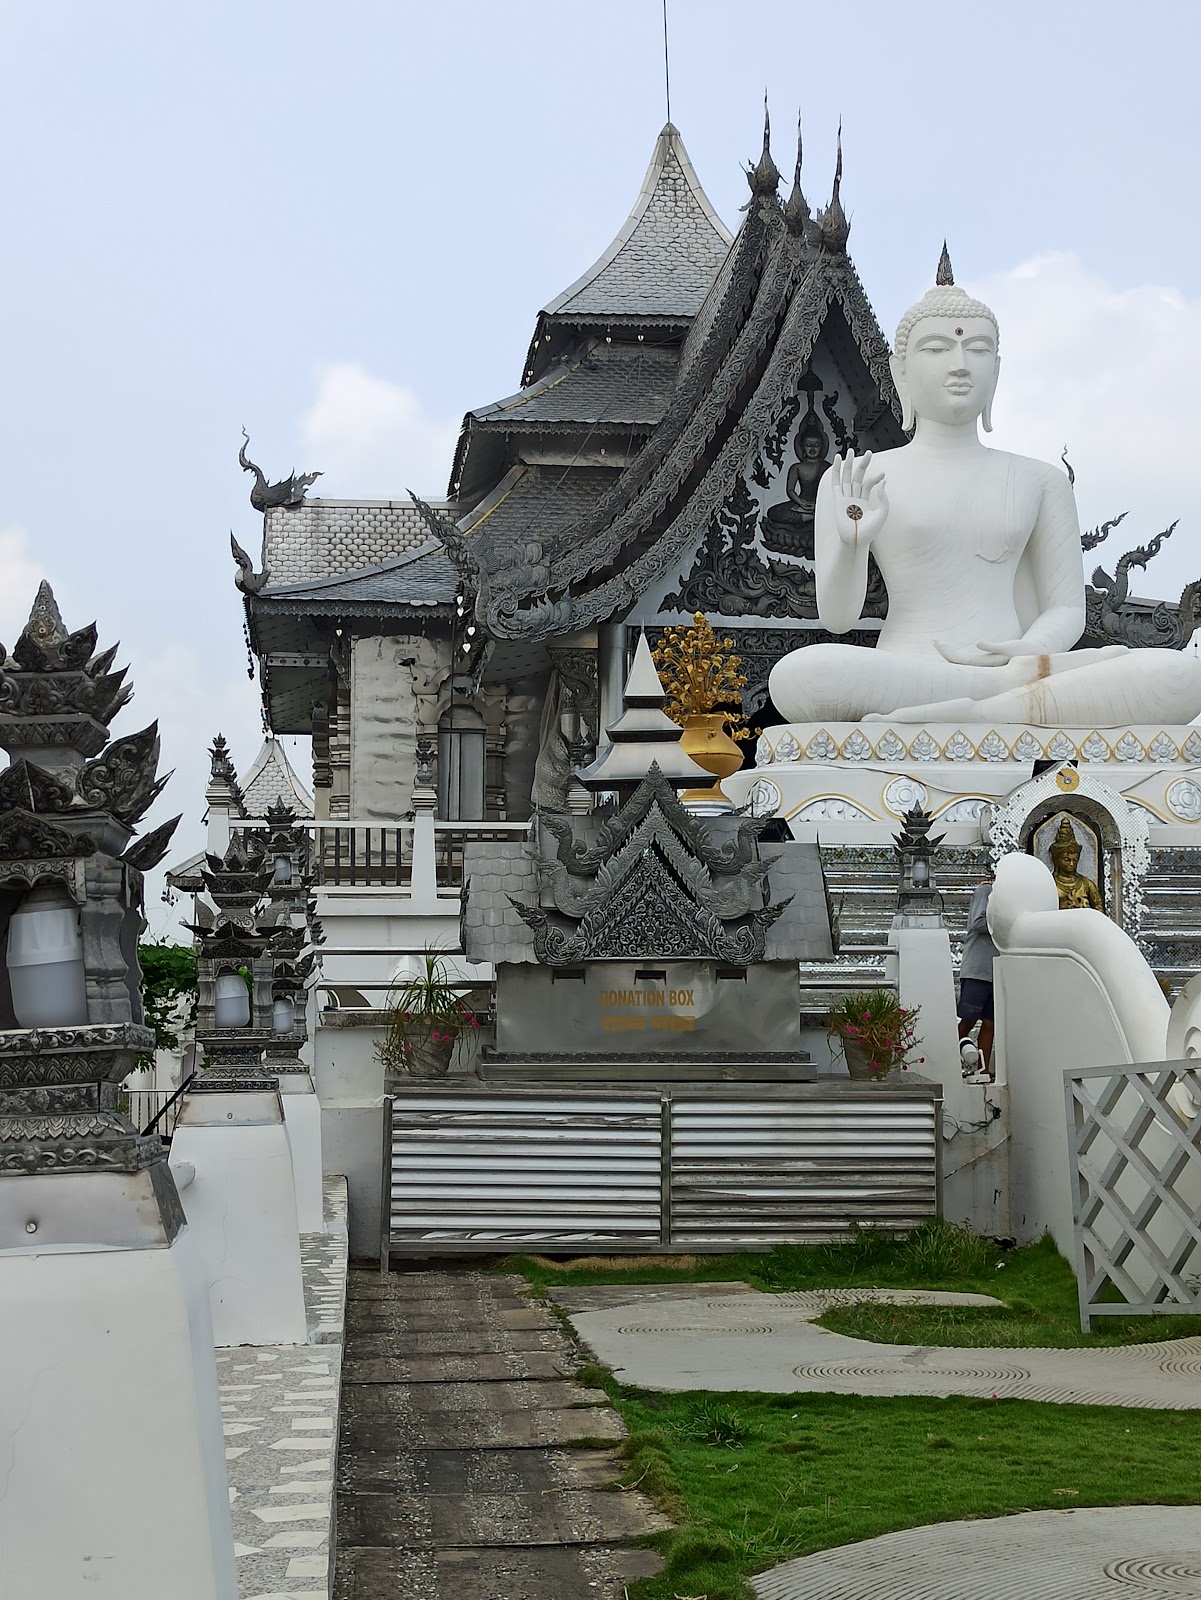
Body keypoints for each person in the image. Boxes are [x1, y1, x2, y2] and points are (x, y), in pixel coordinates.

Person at [767, 248, 1201, 729]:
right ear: (900, 371)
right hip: (906, 671)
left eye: (977, 350)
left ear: (996, 369)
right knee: (801, 676)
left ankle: (986, 707)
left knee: (1180, 676)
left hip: (1017, 673)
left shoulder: (1041, 480)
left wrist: (1031, 654)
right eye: (937, 349)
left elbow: (1065, 609)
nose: (960, 365)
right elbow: (838, 618)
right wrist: (853, 544)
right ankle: (994, 705)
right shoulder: (855, 478)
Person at [957, 875, 997, 1074]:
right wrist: (1006, 921)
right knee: (968, 1019)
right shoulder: (986, 891)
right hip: (977, 970)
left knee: (990, 1023)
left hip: (997, 971)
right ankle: (948, 1062)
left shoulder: (1012, 898)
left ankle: (984, 1070)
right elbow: (978, 922)